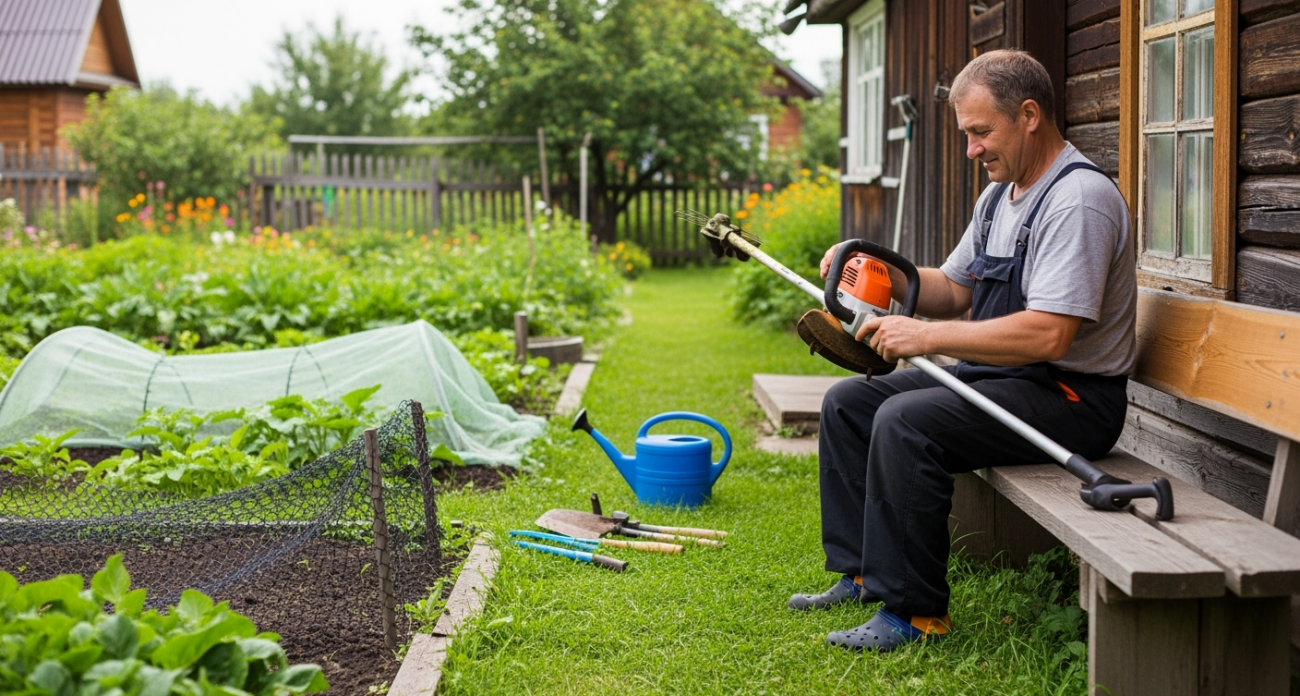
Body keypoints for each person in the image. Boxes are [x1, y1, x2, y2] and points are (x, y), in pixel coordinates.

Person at [789, 49, 1136, 652]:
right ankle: (862, 573)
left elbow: (1050, 334)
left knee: (904, 421)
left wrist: (924, 336)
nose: (972, 149)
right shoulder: (999, 197)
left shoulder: (1077, 200)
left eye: (981, 132)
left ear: (1029, 115)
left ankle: (914, 615)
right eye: (967, 134)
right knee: (849, 403)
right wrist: (876, 268)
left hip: (1070, 396)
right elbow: (952, 291)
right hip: (1004, 377)